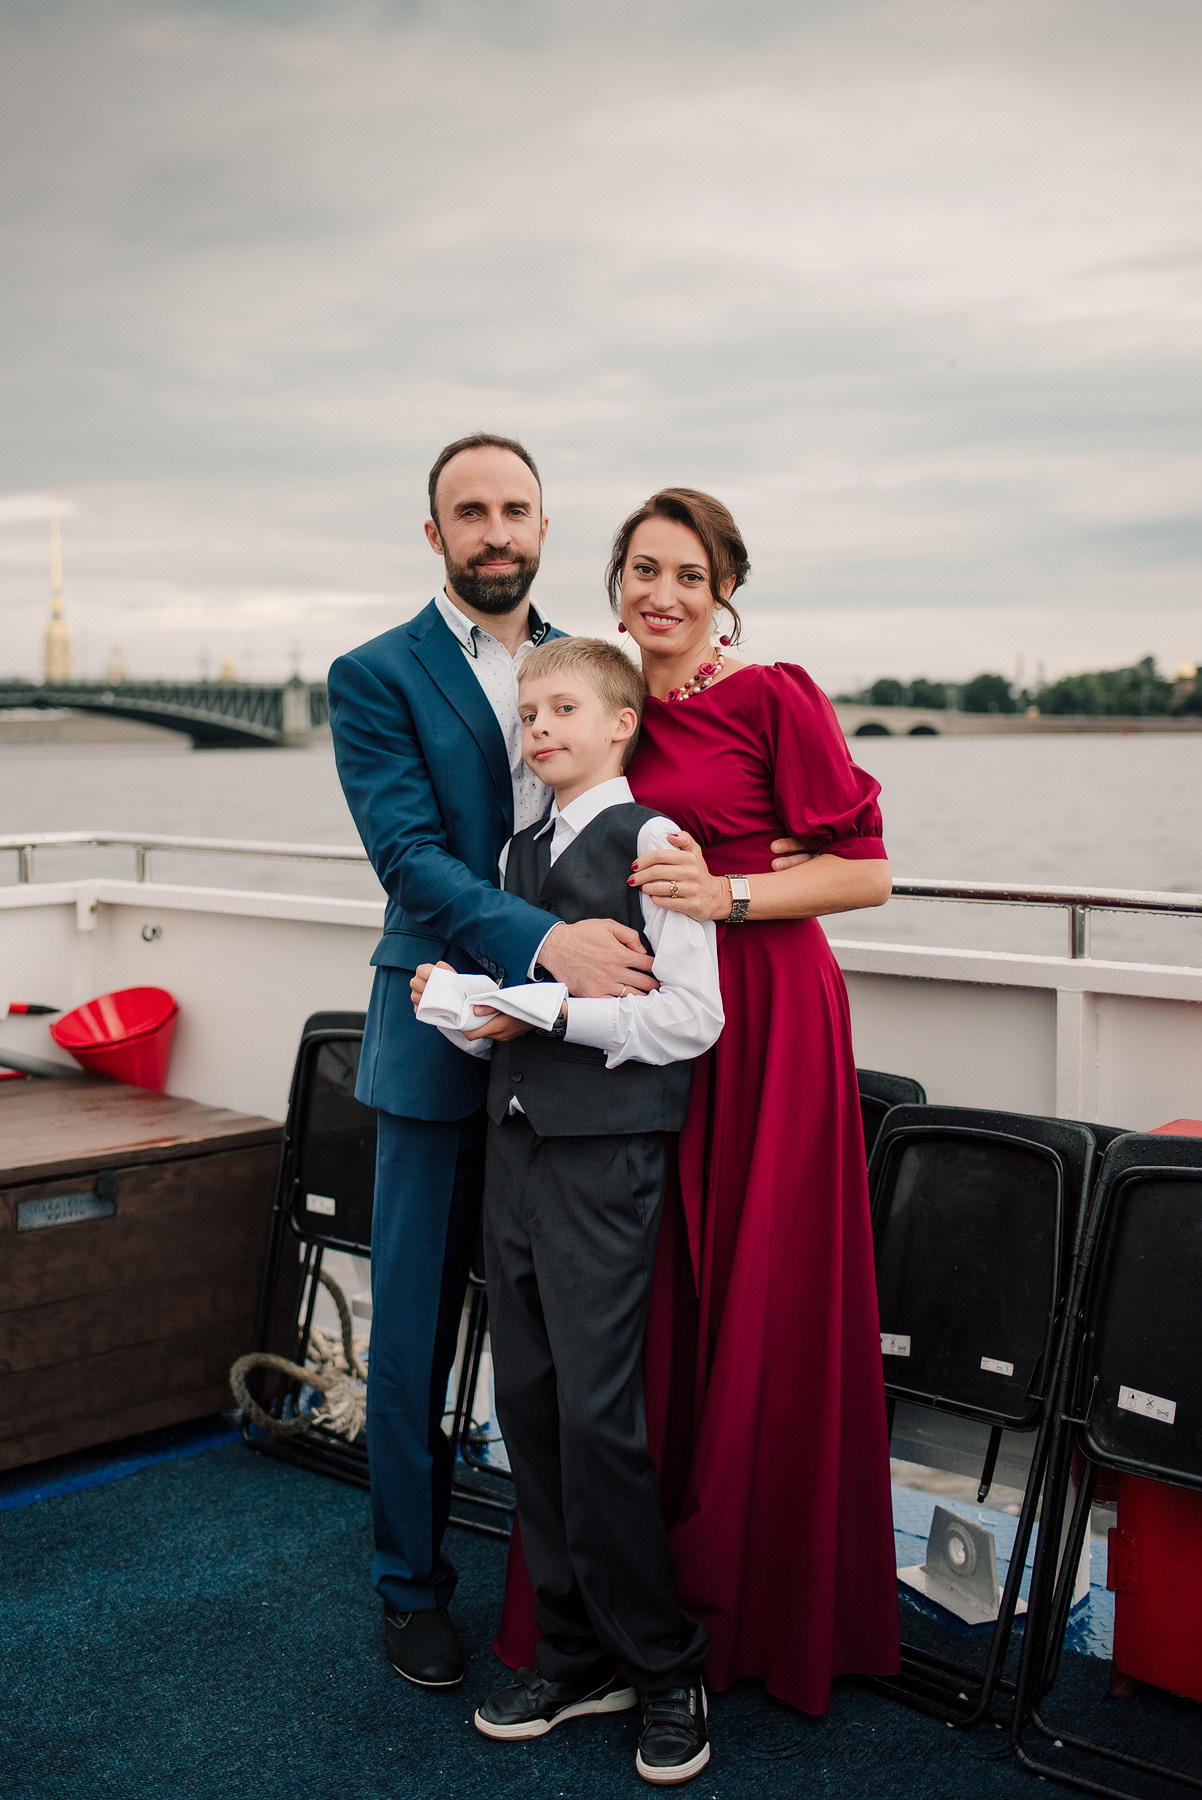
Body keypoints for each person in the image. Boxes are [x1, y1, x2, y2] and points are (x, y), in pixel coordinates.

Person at [496, 487, 901, 1716]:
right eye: (637, 571)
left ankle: (752, 1614)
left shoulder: (774, 694)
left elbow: (866, 875)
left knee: (752, 1301)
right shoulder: (610, 717)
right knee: (647, 1317)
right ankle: (628, 1613)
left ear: (724, 588)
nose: (657, 595)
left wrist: (725, 891)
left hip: (766, 1022)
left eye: (684, 574)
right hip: (635, 1043)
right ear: (614, 584)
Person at [326, 436, 665, 1690]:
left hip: (570, 1060)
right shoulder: (372, 674)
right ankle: (409, 1586)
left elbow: (653, 773)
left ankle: (565, 1603)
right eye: (467, 512)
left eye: (513, 508)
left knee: (557, 1344)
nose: (493, 531)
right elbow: (408, 858)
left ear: (540, 523)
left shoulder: (588, 666)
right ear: (434, 534)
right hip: (434, 1040)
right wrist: (547, 945)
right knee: (412, 1334)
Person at [412, 636, 724, 1784]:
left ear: (618, 725)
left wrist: (541, 1012)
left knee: (598, 1418)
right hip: (518, 1151)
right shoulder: (514, 843)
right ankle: (573, 1650)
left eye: (561, 710)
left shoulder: (651, 841)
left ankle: (664, 1662)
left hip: (604, 1161)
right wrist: (465, 1006)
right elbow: (524, 1008)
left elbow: (689, 1021)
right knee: (530, 1407)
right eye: (527, 712)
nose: (537, 729)